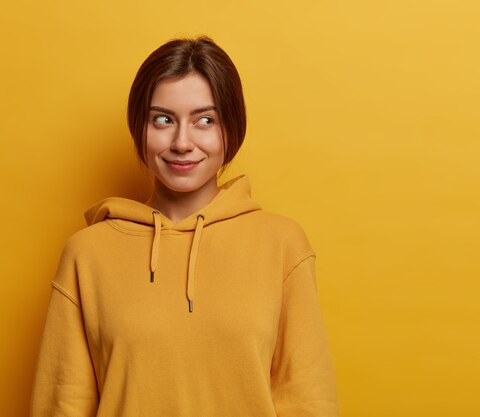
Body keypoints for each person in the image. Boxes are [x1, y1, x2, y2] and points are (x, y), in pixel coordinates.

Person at [30, 36, 339, 416]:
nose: (181, 142)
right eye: (163, 120)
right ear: (139, 128)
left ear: (231, 130)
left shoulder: (282, 244)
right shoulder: (86, 253)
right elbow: (63, 403)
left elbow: (308, 399)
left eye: (204, 120)